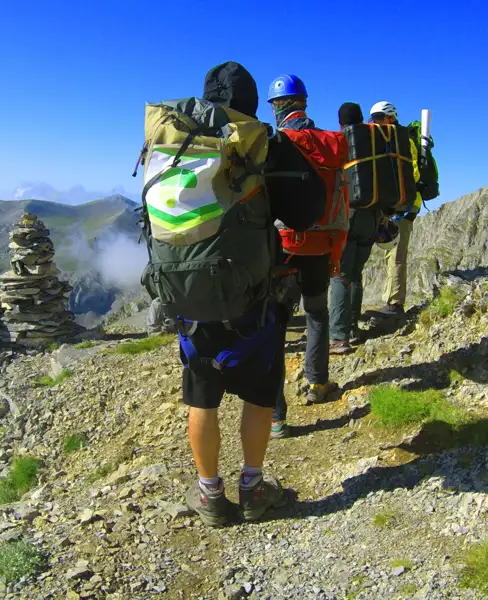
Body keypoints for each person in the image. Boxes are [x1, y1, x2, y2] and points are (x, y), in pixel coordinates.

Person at [175, 62, 326, 525]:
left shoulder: (178, 141)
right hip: (253, 299)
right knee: (260, 397)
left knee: (201, 398)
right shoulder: (265, 142)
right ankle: (253, 491)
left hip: (191, 298)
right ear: (254, 103)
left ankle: (210, 498)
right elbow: (306, 211)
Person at [267, 74, 340, 439]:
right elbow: (341, 202)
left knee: (275, 328)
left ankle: (276, 417)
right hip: (320, 247)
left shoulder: (274, 143)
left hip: (282, 248)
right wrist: (336, 250)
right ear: (305, 103)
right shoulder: (330, 143)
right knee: (317, 314)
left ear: (277, 107)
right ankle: (318, 384)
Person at [328, 102, 383, 353]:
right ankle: (352, 328)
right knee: (356, 274)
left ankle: (339, 336)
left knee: (340, 275)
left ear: (340, 123)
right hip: (372, 217)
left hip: (347, 216)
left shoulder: (340, 142)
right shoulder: (375, 143)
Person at [369, 101, 422, 317]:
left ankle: (395, 304)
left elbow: (414, 173)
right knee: (390, 252)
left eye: (379, 118)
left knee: (397, 254)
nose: (375, 122)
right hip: (392, 206)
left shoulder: (404, 142)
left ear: (391, 117)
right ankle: (390, 299)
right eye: (373, 118)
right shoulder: (388, 142)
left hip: (404, 206)